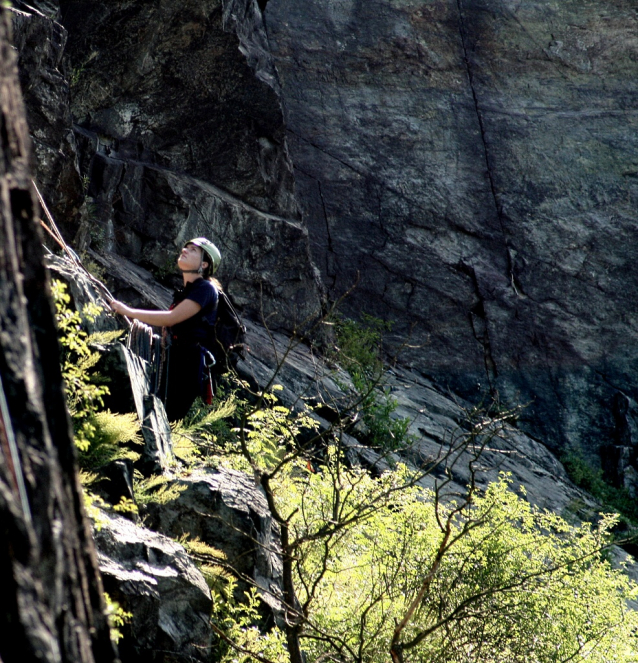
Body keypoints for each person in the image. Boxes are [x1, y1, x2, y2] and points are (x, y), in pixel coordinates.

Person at [110, 237, 222, 421]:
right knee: (152, 413)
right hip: (176, 357)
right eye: (186, 248)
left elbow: (170, 319)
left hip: (187, 364)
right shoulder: (187, 291)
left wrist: (128, 311)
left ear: (203, 264)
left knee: (162, 418)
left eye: (193, 250)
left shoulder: (205, 289)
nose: (185, 250)